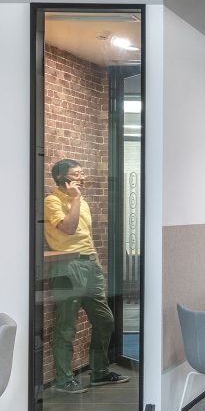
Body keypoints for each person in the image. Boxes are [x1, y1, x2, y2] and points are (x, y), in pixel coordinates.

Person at [44, 159, 129, 394]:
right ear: (63, 178)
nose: (83, 178)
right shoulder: (52, 202)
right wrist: (75, 198)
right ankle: (63, 379)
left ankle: (99, 372)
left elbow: (85, 236)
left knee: (105, 320)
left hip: (89, 265)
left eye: (82, 173)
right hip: (67, 266)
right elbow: (69, 229)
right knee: (66, 326)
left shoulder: (80, 202)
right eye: (77, 174)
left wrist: (96, 262)